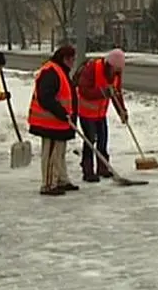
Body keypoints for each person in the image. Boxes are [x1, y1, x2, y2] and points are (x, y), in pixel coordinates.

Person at [28, 45, 80, 196]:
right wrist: (61, 112)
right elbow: (45, 97)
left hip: (60, 122)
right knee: (51, 154)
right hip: (50, 122)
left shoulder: (60, 71)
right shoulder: (51, 71)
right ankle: (48, 184)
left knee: (59, 153)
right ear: (65, 59)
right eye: (72, 59)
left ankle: (61, 179)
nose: (73, 63)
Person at [74, 48, 127, 182]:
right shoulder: (92, 68)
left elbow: (116, 93)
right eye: (115, 69)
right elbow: (84, 90)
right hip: (86, 112)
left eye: (119, 70)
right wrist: (103, 93)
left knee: (103, 140)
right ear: (109, 65)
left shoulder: (116, 73)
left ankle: (102, 167)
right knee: (90, 140)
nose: (117, 73)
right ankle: (88, 170)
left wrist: (122, 111)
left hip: (100, 113)